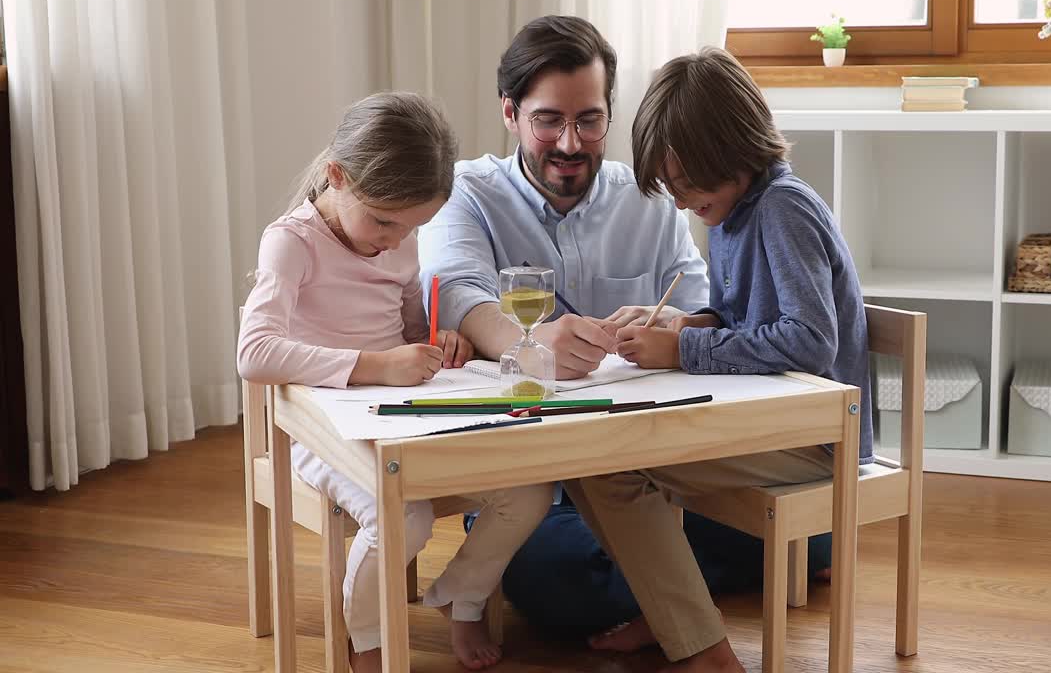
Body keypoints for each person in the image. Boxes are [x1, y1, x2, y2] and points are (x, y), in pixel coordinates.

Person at [567, 47, 875, 672]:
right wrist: (688, 321)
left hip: (820, 436)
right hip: (780, 421)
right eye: (672, 191)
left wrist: (682, 347)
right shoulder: (736, 209)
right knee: (593, 459)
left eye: (687, 187)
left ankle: (700, 649)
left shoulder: (783, 210)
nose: (681, 204)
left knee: (612, 465)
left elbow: (809, 341)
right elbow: (746, 319)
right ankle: (677, 624)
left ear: (731, 151)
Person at [236, 92, 552, 672]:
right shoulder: (292, 243)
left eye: (415, 226)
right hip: (322, 425)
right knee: (405, 515)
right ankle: (368, 638)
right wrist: (377, 365)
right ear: (337, 175)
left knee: (529, 489)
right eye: (383, 220)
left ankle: (463, 596)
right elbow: (255, 353)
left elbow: (409, 324)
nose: (394, 240)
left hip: (399, 410)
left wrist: (439, 342)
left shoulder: (398, 236)